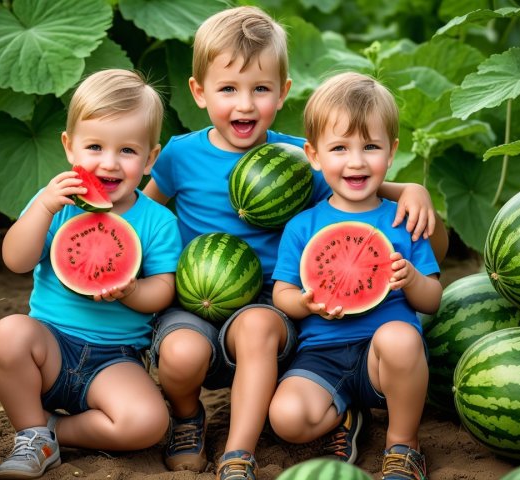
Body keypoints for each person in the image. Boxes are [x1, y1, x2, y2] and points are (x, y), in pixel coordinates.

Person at [143, 7, 447, 480]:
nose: (244, 105)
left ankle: (238, 453)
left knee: (261, 326)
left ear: (282, 93)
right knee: (181, 355)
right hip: (196, 297)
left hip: (271, 305)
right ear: (199, 92)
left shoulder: (298, 160)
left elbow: (354, 192)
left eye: (260, 89)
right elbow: (143, 215)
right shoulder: (180, 155)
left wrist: (410, 190)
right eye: (228, 89)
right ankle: (187, 419)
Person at [0, 69, 182, 479]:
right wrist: (43, 208)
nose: (109, 163)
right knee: (9, 333)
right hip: (50, 348)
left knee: (149, 423)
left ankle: (51, 429)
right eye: (94, 146)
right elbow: (16, 261)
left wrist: (132, 291)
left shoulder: (158, 221)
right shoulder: (56, 205)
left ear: (150, 158)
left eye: (128, 151)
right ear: (68, 146)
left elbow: (163, 290)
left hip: (116, 360)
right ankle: (31, 433)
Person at [268, 71, 443, 479]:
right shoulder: (303, 226)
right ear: (313, 155)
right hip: (322, 356)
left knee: (399, 338)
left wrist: (413, 279)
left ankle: (403, 443)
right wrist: (304, 302)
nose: (357, 161)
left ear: (392, 151)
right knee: (287, 420)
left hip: (385, 364)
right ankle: (345, 417)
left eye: (371, 147)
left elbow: (432, 300)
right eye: (340, 148)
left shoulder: (402, 221)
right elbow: (282, 294)